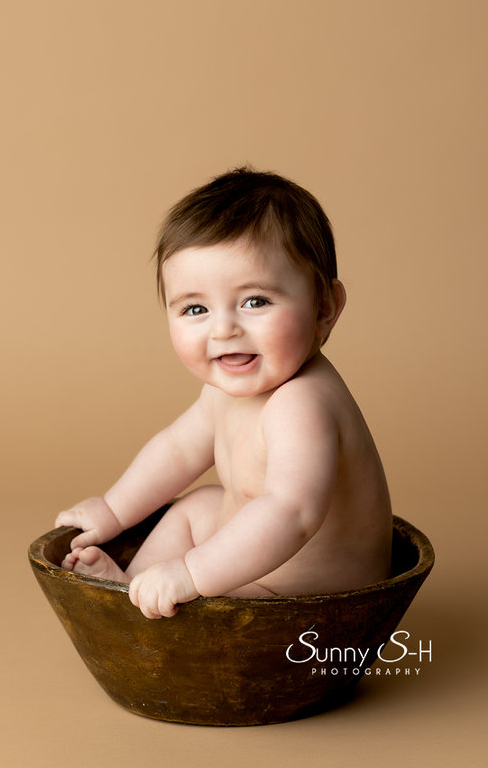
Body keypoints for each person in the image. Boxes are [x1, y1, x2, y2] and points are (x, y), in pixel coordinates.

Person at [56, 167, 392, 619]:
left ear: (324, 308)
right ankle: (137, 589)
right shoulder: (223, 392)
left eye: (256, 301)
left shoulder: (303, 401)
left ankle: (163, 596)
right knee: (198, 504)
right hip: (251, 568)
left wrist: (192, 573)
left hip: (305, 598)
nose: (224, 329)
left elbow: (291, 512)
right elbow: (177, 450)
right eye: (195, 308)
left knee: (212, 565)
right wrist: (113, 510)